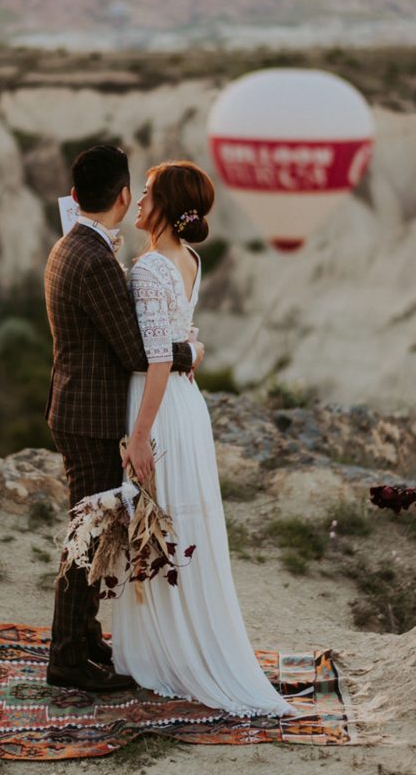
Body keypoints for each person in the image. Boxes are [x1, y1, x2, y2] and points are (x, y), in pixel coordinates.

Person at [112, 160, 298, 719]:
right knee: (177, 526)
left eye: (147, 193)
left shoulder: (150, 269)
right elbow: (184, 340)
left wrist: (140, 435)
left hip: (159, 409)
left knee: (156, 523)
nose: (139, 201)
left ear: (166, 205)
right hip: (186, 409)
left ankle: (166, 653)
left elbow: (160, 357)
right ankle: (179, 641)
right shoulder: (189, 259)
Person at [43, 145, 204, 693]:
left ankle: (84, 638)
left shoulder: (73, 246)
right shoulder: (94, 261)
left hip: (77, 407)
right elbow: (138, 352)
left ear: (74, 196)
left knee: (93, 527)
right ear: (120, 196)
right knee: (86, 535)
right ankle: (65, 658)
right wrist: (188, 353)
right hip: (88, 417)